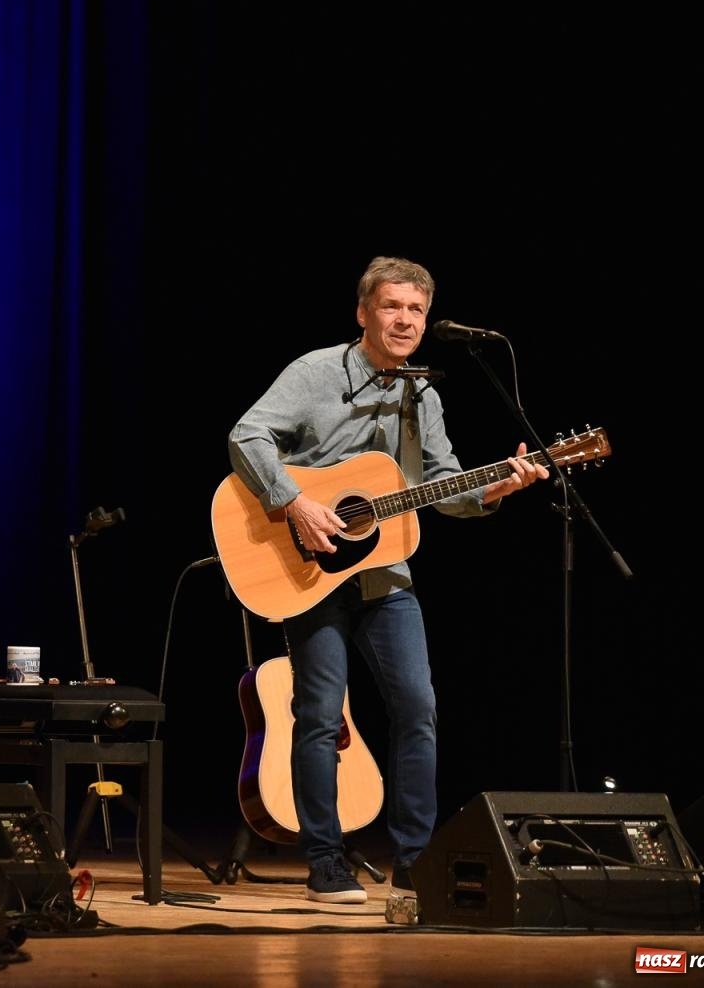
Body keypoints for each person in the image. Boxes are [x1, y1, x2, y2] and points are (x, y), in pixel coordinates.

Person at [226, 256, 547, 904]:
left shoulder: (422, 395)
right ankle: (324, 862)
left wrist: (495, 490)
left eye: (416, 310)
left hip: (386, 574)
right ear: (363, 313)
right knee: (319, 714)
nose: (405, 320)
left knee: (418, 708)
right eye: (392, 306)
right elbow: (248, 434)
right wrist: (295, 501)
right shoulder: (316, 372)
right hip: (309, 568)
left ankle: (414, 862)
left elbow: (443, 483)